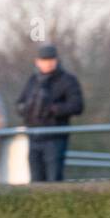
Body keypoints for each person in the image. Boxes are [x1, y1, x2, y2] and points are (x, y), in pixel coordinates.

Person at [16, 43, 83, 182]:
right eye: (44, 60)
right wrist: (26, 109)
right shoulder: (33, 80)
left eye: (50, 60)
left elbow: (77, 106)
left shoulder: (67, 80)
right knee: (36, 181)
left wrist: (53, 109)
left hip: (55, 138)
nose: (47, 64)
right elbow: (19, 103)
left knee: (54, 181)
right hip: (34, 136)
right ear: (37, 62)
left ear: (56, 61)